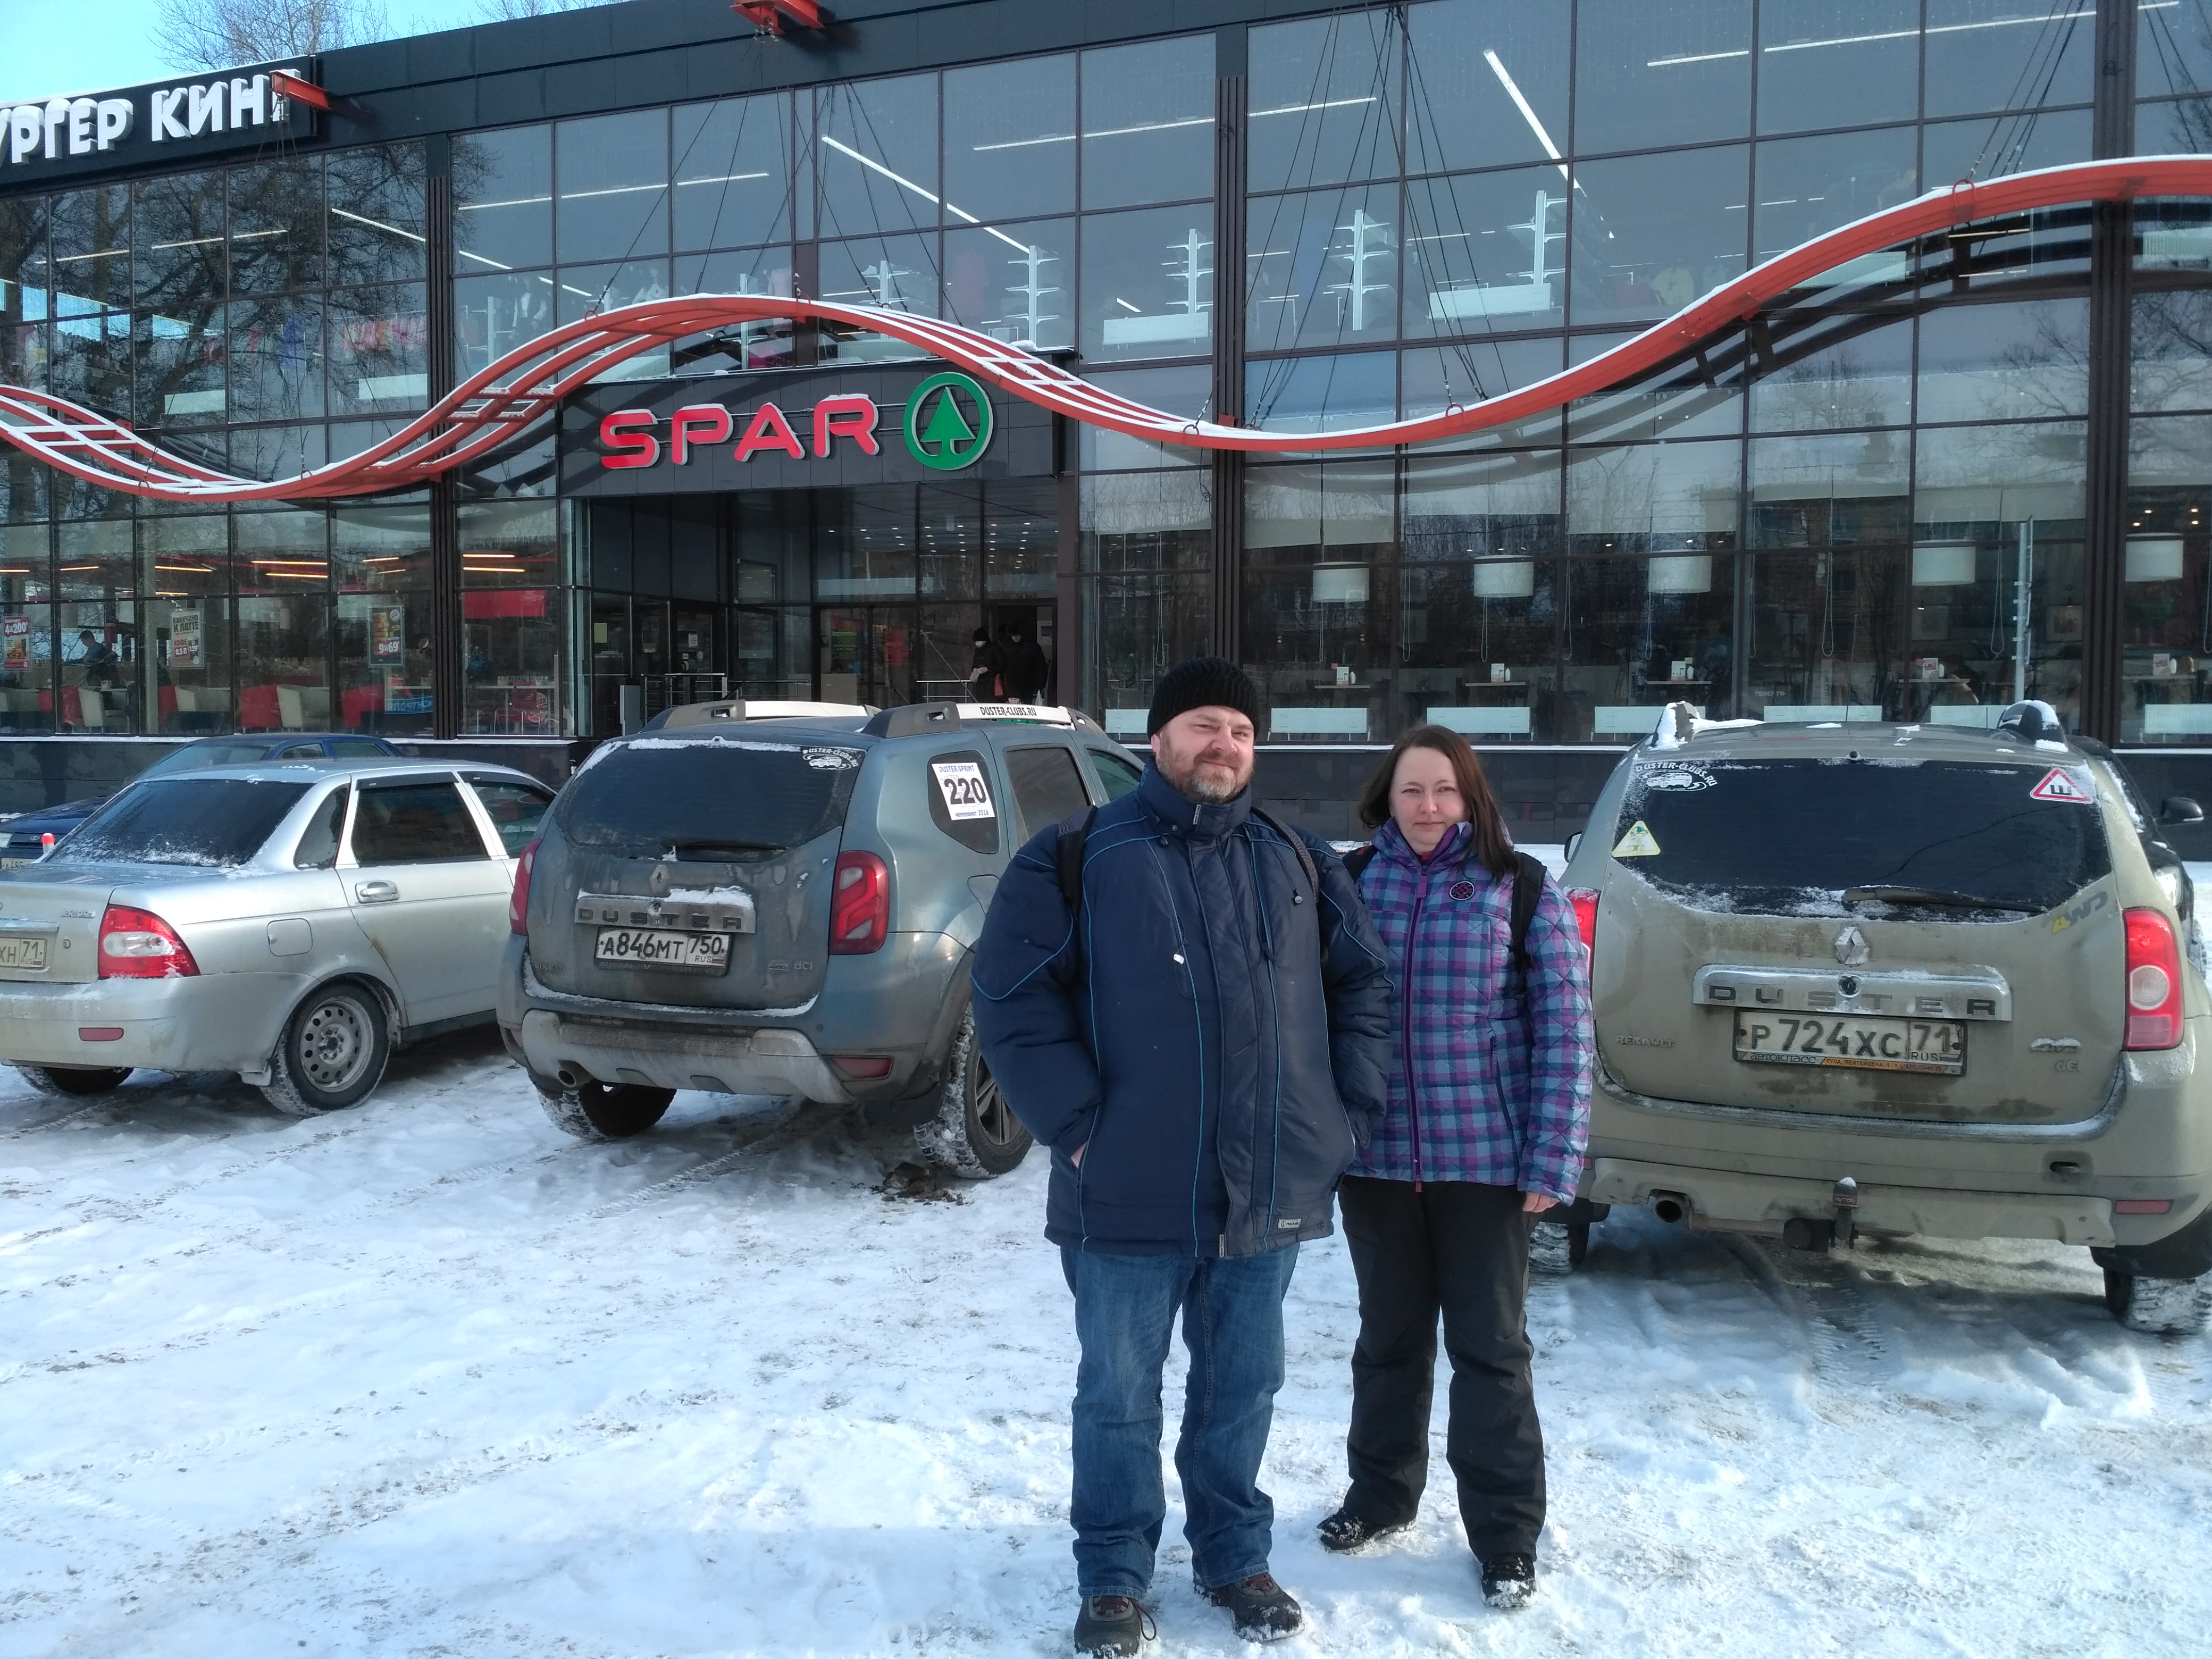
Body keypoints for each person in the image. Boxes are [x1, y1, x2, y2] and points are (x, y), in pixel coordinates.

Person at [972, 656, 1393, 1656]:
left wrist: (1345, 1116)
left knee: (1242, 1390)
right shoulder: (1076, 855)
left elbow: (1363, 986)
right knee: (1119, 1398)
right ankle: (1114, 1575)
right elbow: (1012, 1002)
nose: (1225, 745)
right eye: (1205, 725)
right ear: (1156, 738)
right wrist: (1082, 1128)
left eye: (1242, 731)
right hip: (1126, 1188)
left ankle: (1234, 1557)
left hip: (1268, 1186)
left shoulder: (1298, 858)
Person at [1317, 724, 1591, 1611]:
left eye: (1444, 790)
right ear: (1387, 798)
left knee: (1491, 1352)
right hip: (1379, 1163)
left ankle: (1507, 1537)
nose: (1428, 806)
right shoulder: (1350, 883)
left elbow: (1566, 1032)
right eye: (1412, 790)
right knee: (1388, 1343)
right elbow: (1316, 1013)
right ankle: (1380, 1496)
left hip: (1486, 1164)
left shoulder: (1522, 888)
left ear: (1470, 796)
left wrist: (1552, 1154)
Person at [1001, 621, 1051, 702]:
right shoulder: (1007, 647)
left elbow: (1041, 666)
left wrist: (1040, 684)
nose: (1015, 638)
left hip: (1028, 683)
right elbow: (1002, 664)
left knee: (1026, 704)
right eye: (1013, 636)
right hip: (1012, 683)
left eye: (1017, 636)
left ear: (1022, 635)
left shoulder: (1032, 647)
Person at [966, 627, 1004, 700]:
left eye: (979, 642)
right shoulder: (977, 651)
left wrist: (988, 669)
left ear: (984, 640)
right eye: (976, 642)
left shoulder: (994, 648)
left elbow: (1002, 664)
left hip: (993, 682)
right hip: (980, 682)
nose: (977, 644)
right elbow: (975, 663)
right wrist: (975, 669)